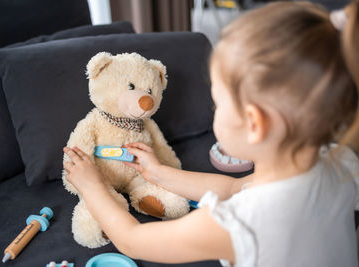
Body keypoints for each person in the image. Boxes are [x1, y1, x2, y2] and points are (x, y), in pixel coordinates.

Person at [63, 1, 359, 266]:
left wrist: (92, 187)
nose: (214, 110)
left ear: (254, 123)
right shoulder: (340, 162)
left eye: (218, 103)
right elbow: (235, 189)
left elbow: (133, 240)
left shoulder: (239, 224)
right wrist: (159, 173)